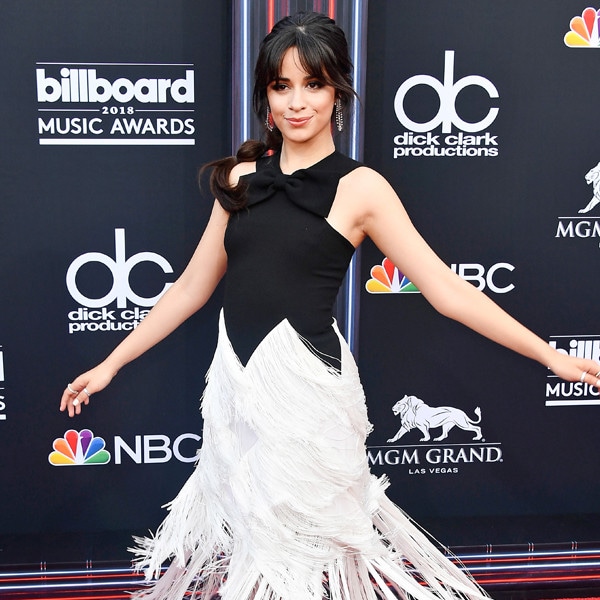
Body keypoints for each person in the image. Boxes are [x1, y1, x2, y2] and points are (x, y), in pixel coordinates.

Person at [60, 11, 600, 600]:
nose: (297, 102)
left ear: (337, 91)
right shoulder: (243, 179)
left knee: (303, 564)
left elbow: (446, 290)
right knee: (255, 550)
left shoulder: (362, 188)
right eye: (282, 85)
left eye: (313, 84)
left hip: (306, 392)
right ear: (266, 95)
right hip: (236, 390)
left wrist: (552, 356)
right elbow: (190, 288)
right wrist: (111, 363)